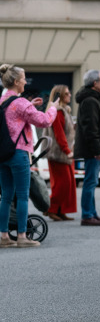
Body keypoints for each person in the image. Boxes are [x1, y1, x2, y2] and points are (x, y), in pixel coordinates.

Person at [0, 64, 57, 248]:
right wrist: (53, 108)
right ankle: (23, 236)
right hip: (19, 153)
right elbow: (44, 120)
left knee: (6, 196)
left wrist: (30, 106)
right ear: (16, 82)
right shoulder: (21, 103)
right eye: (23, 78)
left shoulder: (3, 101)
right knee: (23, 195)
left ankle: (4, 236)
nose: (25, 81)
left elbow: (12, 117)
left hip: (2, 155)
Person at [74, 69, 100, 226]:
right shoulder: (90, 101)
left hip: (92, 148)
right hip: (91, 149)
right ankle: (87, 215)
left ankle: (92, 213)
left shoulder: (91, 99)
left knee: (92, 181)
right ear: (95, 83)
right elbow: (91, 128)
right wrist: (97, 150)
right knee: (90, 182)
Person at [44, 85, 77, 222]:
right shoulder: (57, 111)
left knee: (68, 184)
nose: (70, 95)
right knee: (62, 183)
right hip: (59, 153)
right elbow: (59, 133)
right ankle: (51, 209)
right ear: (60, 96)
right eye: (67, 94)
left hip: (64, 153)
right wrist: (67, 150)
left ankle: (61, 210)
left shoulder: (64, 111)